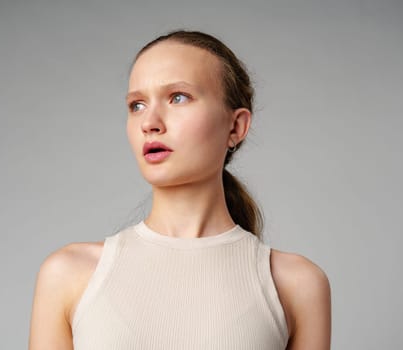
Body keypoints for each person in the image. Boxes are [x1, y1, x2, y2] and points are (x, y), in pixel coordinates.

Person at [29, 30, 331, 350]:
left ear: (236, 127)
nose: (150, 122)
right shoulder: (68, 274)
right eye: (137, 105)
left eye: (178, 97)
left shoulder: (297, 285)